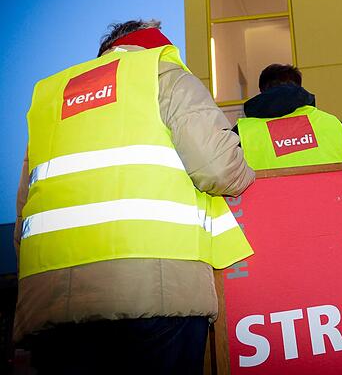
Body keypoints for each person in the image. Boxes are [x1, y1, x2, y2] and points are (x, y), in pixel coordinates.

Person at [14, 20, 255, 374]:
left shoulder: (49, 99)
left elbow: (24, 217)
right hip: (156, 295)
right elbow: (218, 169)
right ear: (155, 44)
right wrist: (249, 173)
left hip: (50, 307)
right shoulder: (161, 73)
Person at [233, 64, 342, 169]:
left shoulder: (242, 133)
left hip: (268, 201)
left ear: (262, 91)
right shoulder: (333, 125)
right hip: (330, 200)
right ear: (299, 88)